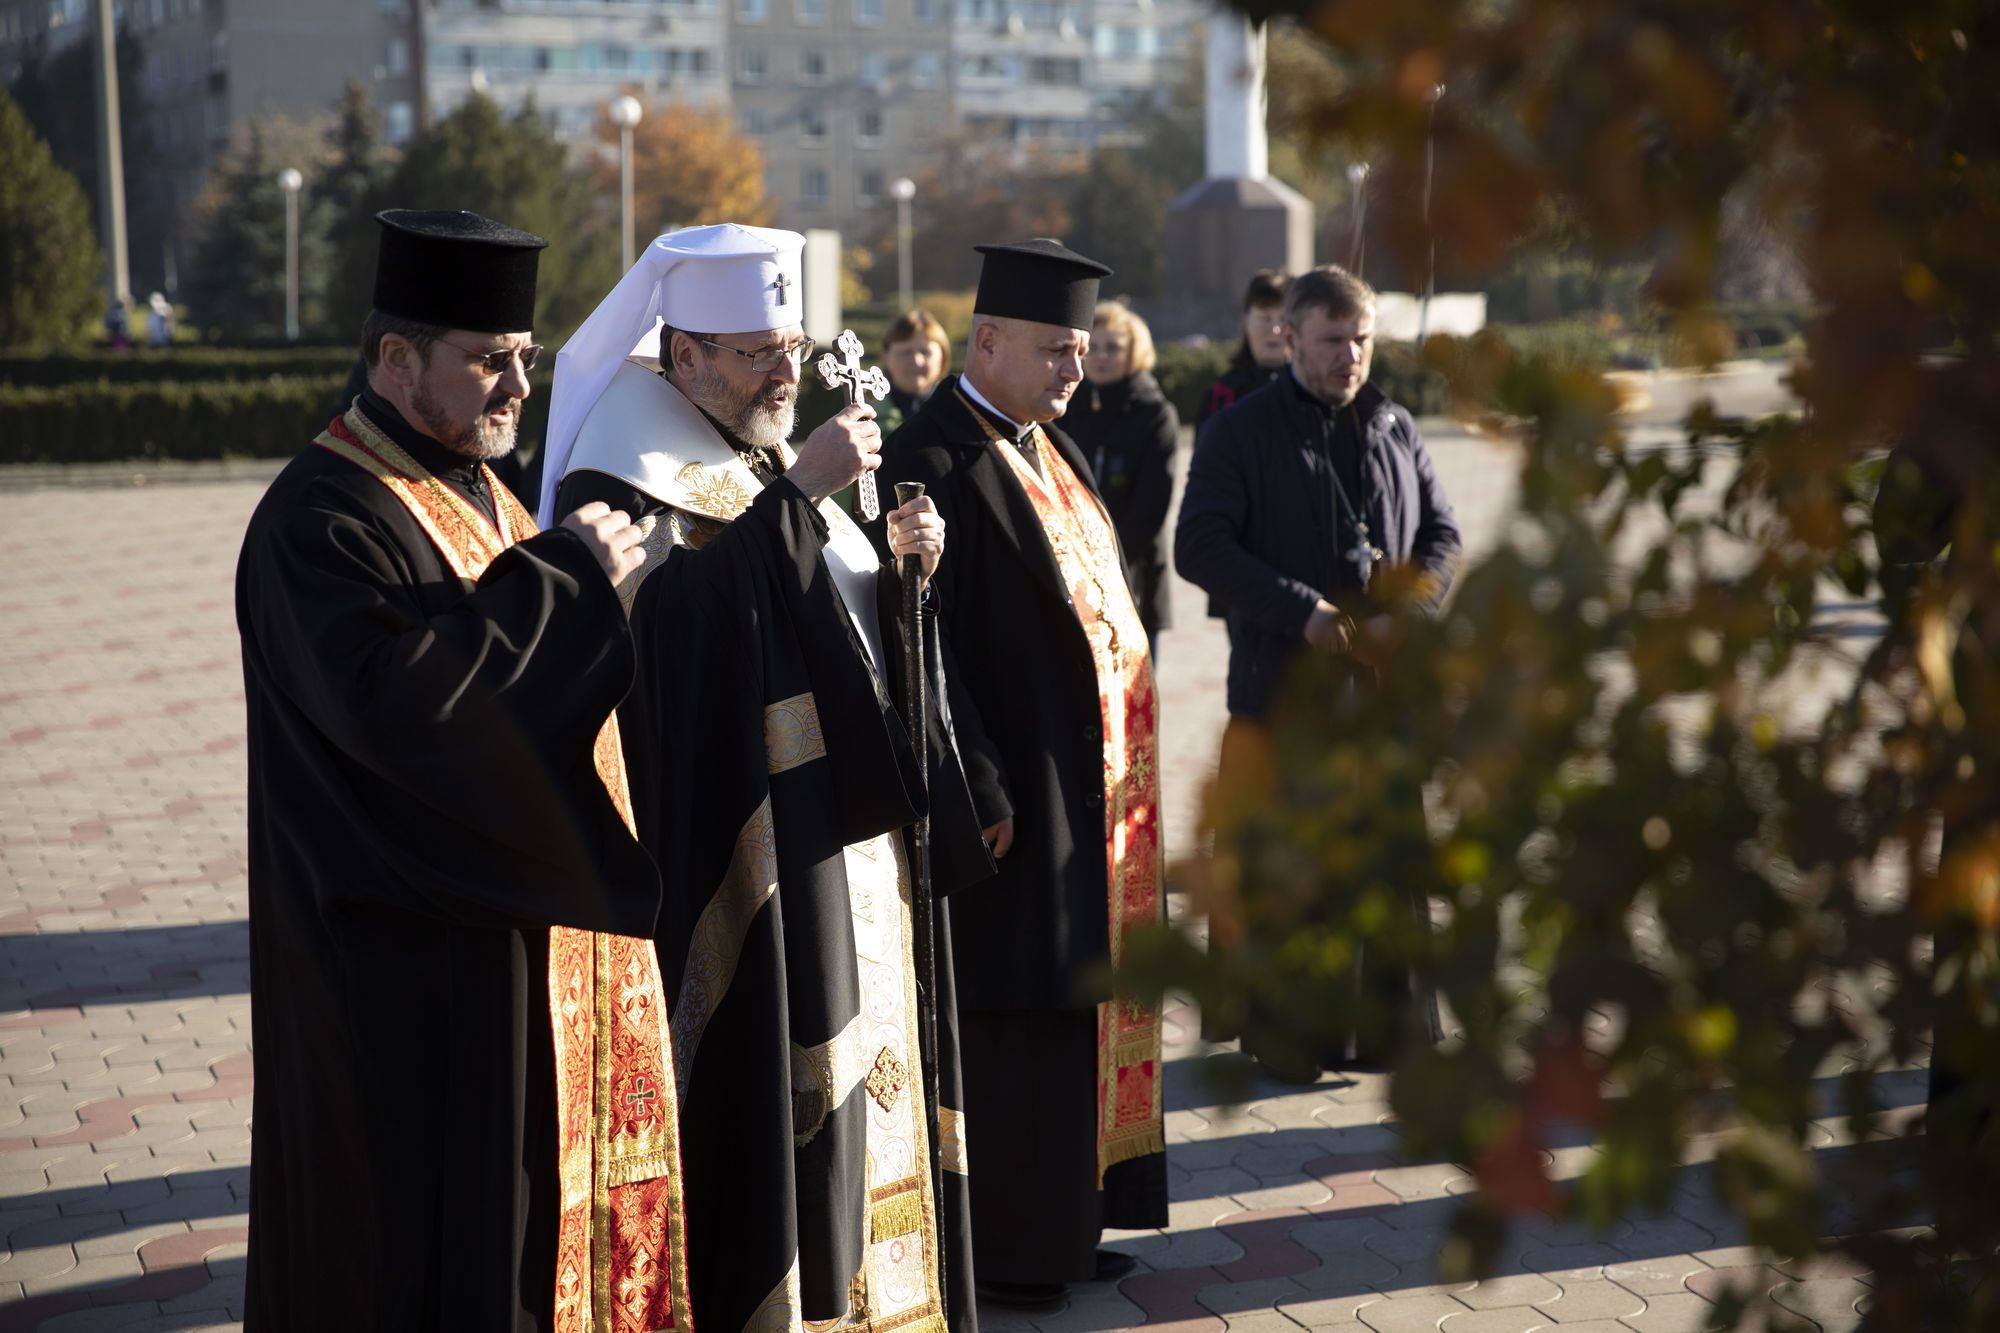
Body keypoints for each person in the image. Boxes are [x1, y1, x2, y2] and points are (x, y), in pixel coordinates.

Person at [235, 209, 689, 1331]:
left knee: (506, 1245)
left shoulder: (476, 488)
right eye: (487, 360)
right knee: (404, 1259)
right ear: (395, 359)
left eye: (525, 360)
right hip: (389, 972)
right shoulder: (319, 516)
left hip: (494, 946)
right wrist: (568, 582)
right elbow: (409, 715)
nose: (516, 387)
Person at [541, 223, 993, 1333]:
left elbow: (828, 633)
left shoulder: (750, 448)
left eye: (790, 345)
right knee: (781, 1112)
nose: (784, 372)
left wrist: (904, 573)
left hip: (839, 848)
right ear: (680, 355)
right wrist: (797, 496)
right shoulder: (617, 465)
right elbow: (670, 646)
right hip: (746, 860)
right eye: (755, 353)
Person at [874, 238, 1169, 1310]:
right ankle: (1010, 1246)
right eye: (1053, 350)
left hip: (1090, 789)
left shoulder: (1050, 443)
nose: (1072, 370)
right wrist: (980, 788)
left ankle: (1070, 1220)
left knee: (1081, 1004)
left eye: (1080, 349)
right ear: (986, 341)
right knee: (1019, 1018)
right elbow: (920, 638)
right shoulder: (930, 455)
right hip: (1016, 800)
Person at [1175, 263, 1461, 1072]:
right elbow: (1198, 546)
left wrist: (1410, 607)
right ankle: (1293, 1039)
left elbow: (1442, 532)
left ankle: (1385, 1032)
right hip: (1284, 692)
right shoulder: (1239, 431)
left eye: (1362, 338)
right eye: (1333, 339)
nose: (1350, 356)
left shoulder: (1394, 424)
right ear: (1290, 337)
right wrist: (1302, 609)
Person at [1067, 300, 1178, 656]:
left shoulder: (1154, 413)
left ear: (1135, 351)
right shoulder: (1066, 408)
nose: (1101, 357)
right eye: (1092, 348)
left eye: (1114, 347)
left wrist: (1105, 565)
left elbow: (1152, 506)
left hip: (1134, 575)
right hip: (1070, 577)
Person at [1191, 268, 1291, 434]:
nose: (1275, 329)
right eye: (1265, 318)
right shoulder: (1221, 397)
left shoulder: (1309, 392)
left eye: (1283, 319)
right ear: (1246, 321)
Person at [881, 307, 951, 433]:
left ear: (943, 359)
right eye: (905, 352)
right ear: (886, 358)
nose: (916, 361)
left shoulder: (958, 413)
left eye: (925, 352)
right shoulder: (864, 416)